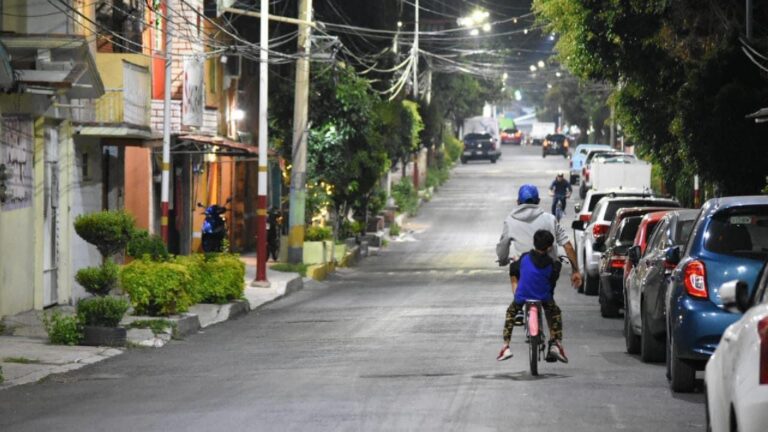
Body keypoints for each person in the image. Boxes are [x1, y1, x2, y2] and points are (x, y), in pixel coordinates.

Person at [497, 230, 568, 363]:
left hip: (522, 296)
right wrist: (558, 264)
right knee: (555, 312)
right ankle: (556, 343)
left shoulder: (524, 257)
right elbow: (553, 278)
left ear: (534, 243)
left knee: (511, 313)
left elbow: (514, 269)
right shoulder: (552, 264)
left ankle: (505, 345)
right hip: (544, 297)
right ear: (549, 247)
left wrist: (513, 263)